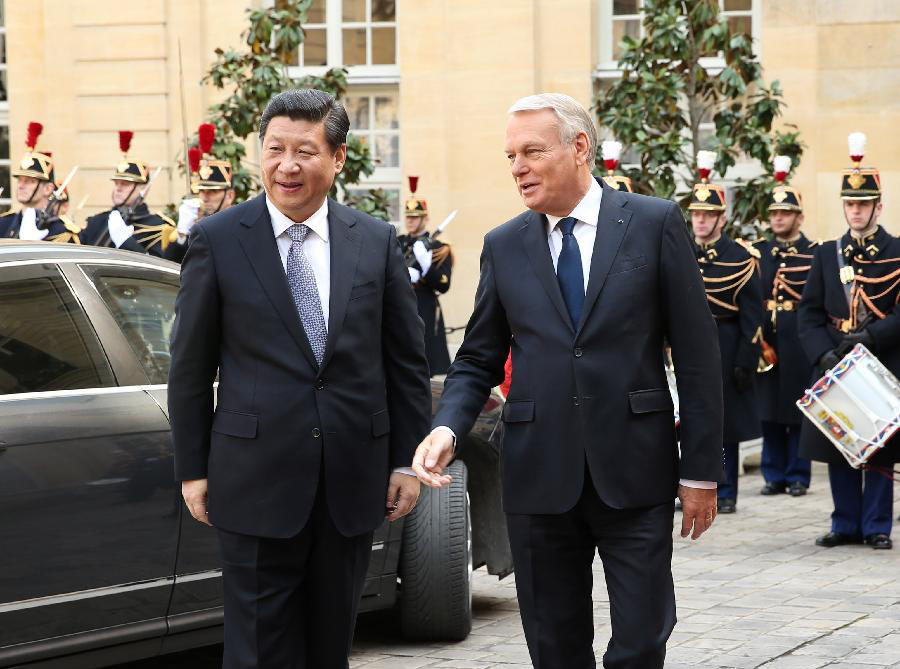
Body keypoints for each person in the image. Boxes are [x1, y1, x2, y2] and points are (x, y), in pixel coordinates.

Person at [413, 93, 723, 669]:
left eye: (532, 152)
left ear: (580, 147)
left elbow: (699, 357)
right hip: (538, 475)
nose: (518, 168)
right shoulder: (504, 245)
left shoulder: (653, 223)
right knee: (554, 646)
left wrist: (701, 470)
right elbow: (477, 357)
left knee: (642, 639)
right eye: (510, 156)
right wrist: (448, 427)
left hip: (635, 469)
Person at [168, 89, 431, 669]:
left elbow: (406, 363)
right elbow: (189, 367)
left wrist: (406, 462)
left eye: (305, 151)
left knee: (329, 645)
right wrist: (193, 469)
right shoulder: (218, 240)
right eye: (275, 149)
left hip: (351, 482)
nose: (287, 165)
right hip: (251, 478)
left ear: (337, 158)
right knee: (258, 649)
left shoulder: (374, 241)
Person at [798, 132, 900, 550]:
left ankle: (876, 525)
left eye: (863, 204)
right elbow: (808, 312)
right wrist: (823, 353)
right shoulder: (828, 253)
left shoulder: (897, 251)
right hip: (836, 361)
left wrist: (872, 335)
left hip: (881, 360)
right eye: (850, 204)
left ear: (878, 206)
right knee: (840, 441)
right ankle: (844, 523)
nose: (855, 211)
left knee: (879, 446)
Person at [689, 151, 764, 514]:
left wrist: (746, 360)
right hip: (689, 342)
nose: (701, 221)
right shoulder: (680, 251)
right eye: (696, 214)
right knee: (690, 417)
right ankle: (692, 484)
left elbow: (753, 317)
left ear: (722, 218)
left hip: (727, 342)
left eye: (708, 215)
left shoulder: (741, 257)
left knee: (724, 422)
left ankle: (727, 489)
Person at [754, 155, 817, 497]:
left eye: (786, 213)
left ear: (799, 217)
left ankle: (798, 474)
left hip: (798, 335)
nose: (778, 218)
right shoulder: (759, 252)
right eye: (775, 213)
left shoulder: (814, 252)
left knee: (798, 406)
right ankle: (773, 473)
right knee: (768, 407)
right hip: (766, 336)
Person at [79, 130, 176, 255]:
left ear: (143, 189)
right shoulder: (97, 221)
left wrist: (126, 242)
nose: (118, 188)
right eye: (116, 183)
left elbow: (159, 265)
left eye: (125, 184)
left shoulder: (157, 227)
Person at [397, 176, 453, 375]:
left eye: (415, 217)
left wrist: (427, 267)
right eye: (408, 217)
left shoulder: (438, 247)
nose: (410, 221)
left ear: (425, 219)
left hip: (425, 309)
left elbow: (444, 285)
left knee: (426, 367)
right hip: (400, 309)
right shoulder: (397, 242)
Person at [166, 123, 238, 263]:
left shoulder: (240, 226)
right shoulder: (195, 229)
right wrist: (182, 234)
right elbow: (168, 266)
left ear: (230, 196)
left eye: (212, 192)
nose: (204, 198)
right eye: (201, 191)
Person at [0, 121, 81, 243]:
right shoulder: (4, 224)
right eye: (20, 180)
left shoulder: (62, 232)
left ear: (48, 189)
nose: (21, 185)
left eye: (30, 181)